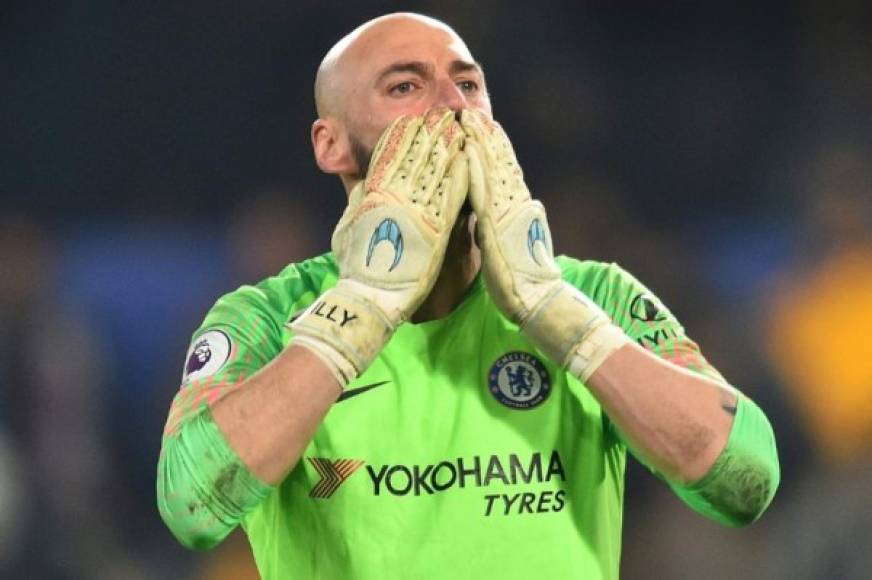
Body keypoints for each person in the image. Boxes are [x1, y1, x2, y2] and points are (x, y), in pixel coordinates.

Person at [157, 13, 779, 579]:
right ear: (331, 144)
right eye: (406, 87)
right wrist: (364, 303)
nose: (452, 108)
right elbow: (192, 505)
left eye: (468, 85)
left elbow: (745, 482)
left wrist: (553, 311)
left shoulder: (592, 295)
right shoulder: (267, 317)